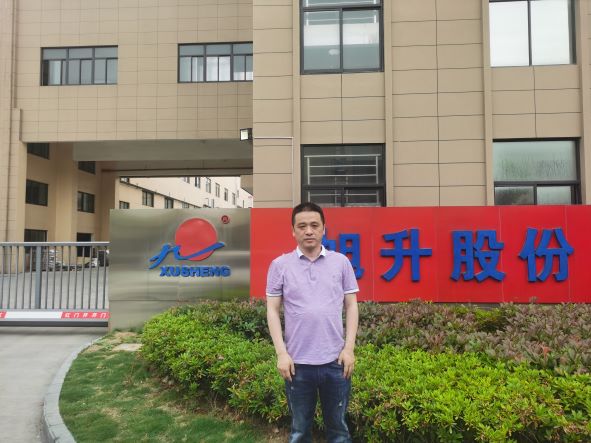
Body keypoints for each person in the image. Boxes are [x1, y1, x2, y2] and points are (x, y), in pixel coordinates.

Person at [266, 202, 359, 443]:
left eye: (314, 225)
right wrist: (281, 354)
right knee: (299, 431)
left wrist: (349, 349)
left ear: (324, 229)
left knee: (339, 430)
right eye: (302, 226)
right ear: (293, 231)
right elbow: (272, 310)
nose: (309, 231)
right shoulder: (280, 265)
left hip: (335, 363)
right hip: (297, 365)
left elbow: (351, 306)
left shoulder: (341, 262)